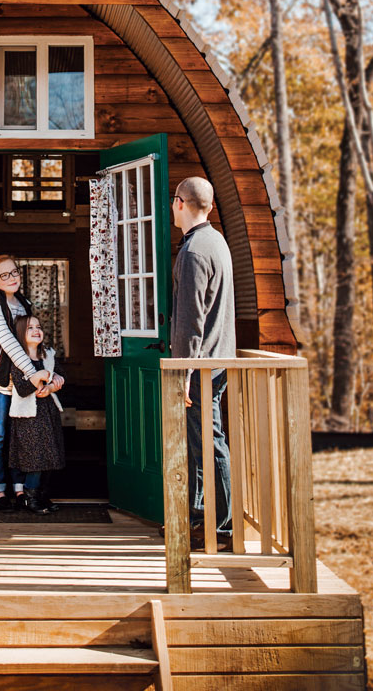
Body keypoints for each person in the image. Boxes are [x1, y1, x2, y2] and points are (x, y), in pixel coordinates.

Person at [170, 176, 236, 551]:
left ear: (180, 203)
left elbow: (191, 322)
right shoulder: (217, 242)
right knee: (200, 443)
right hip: (216, 360)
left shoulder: (194, 251)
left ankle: (221, 527)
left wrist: (185, 375)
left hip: (202, 366)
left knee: (209, 444)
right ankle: (199, 519)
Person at [0, 255, 56, 511]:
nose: (12, 278)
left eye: (14, 272)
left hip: (19, 381)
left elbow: (30, 343)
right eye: (3, 275)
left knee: (20, 437)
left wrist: (48, 371)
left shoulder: (23, 303)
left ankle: (20, 490)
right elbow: (7, 341)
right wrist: (32, 374)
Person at [8, 315, 66, 514]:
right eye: (29, 328)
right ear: (20, 334)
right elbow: (22, 389)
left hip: (47, 412)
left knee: (50, 454)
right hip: (28, 416)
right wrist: (37, 377)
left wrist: (51, 386)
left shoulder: (48, 355)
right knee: (35, 458)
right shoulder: (17, 359)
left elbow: (59, 377)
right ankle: (29, 498)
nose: (36, 330)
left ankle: (42, 495)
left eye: (38, 327)